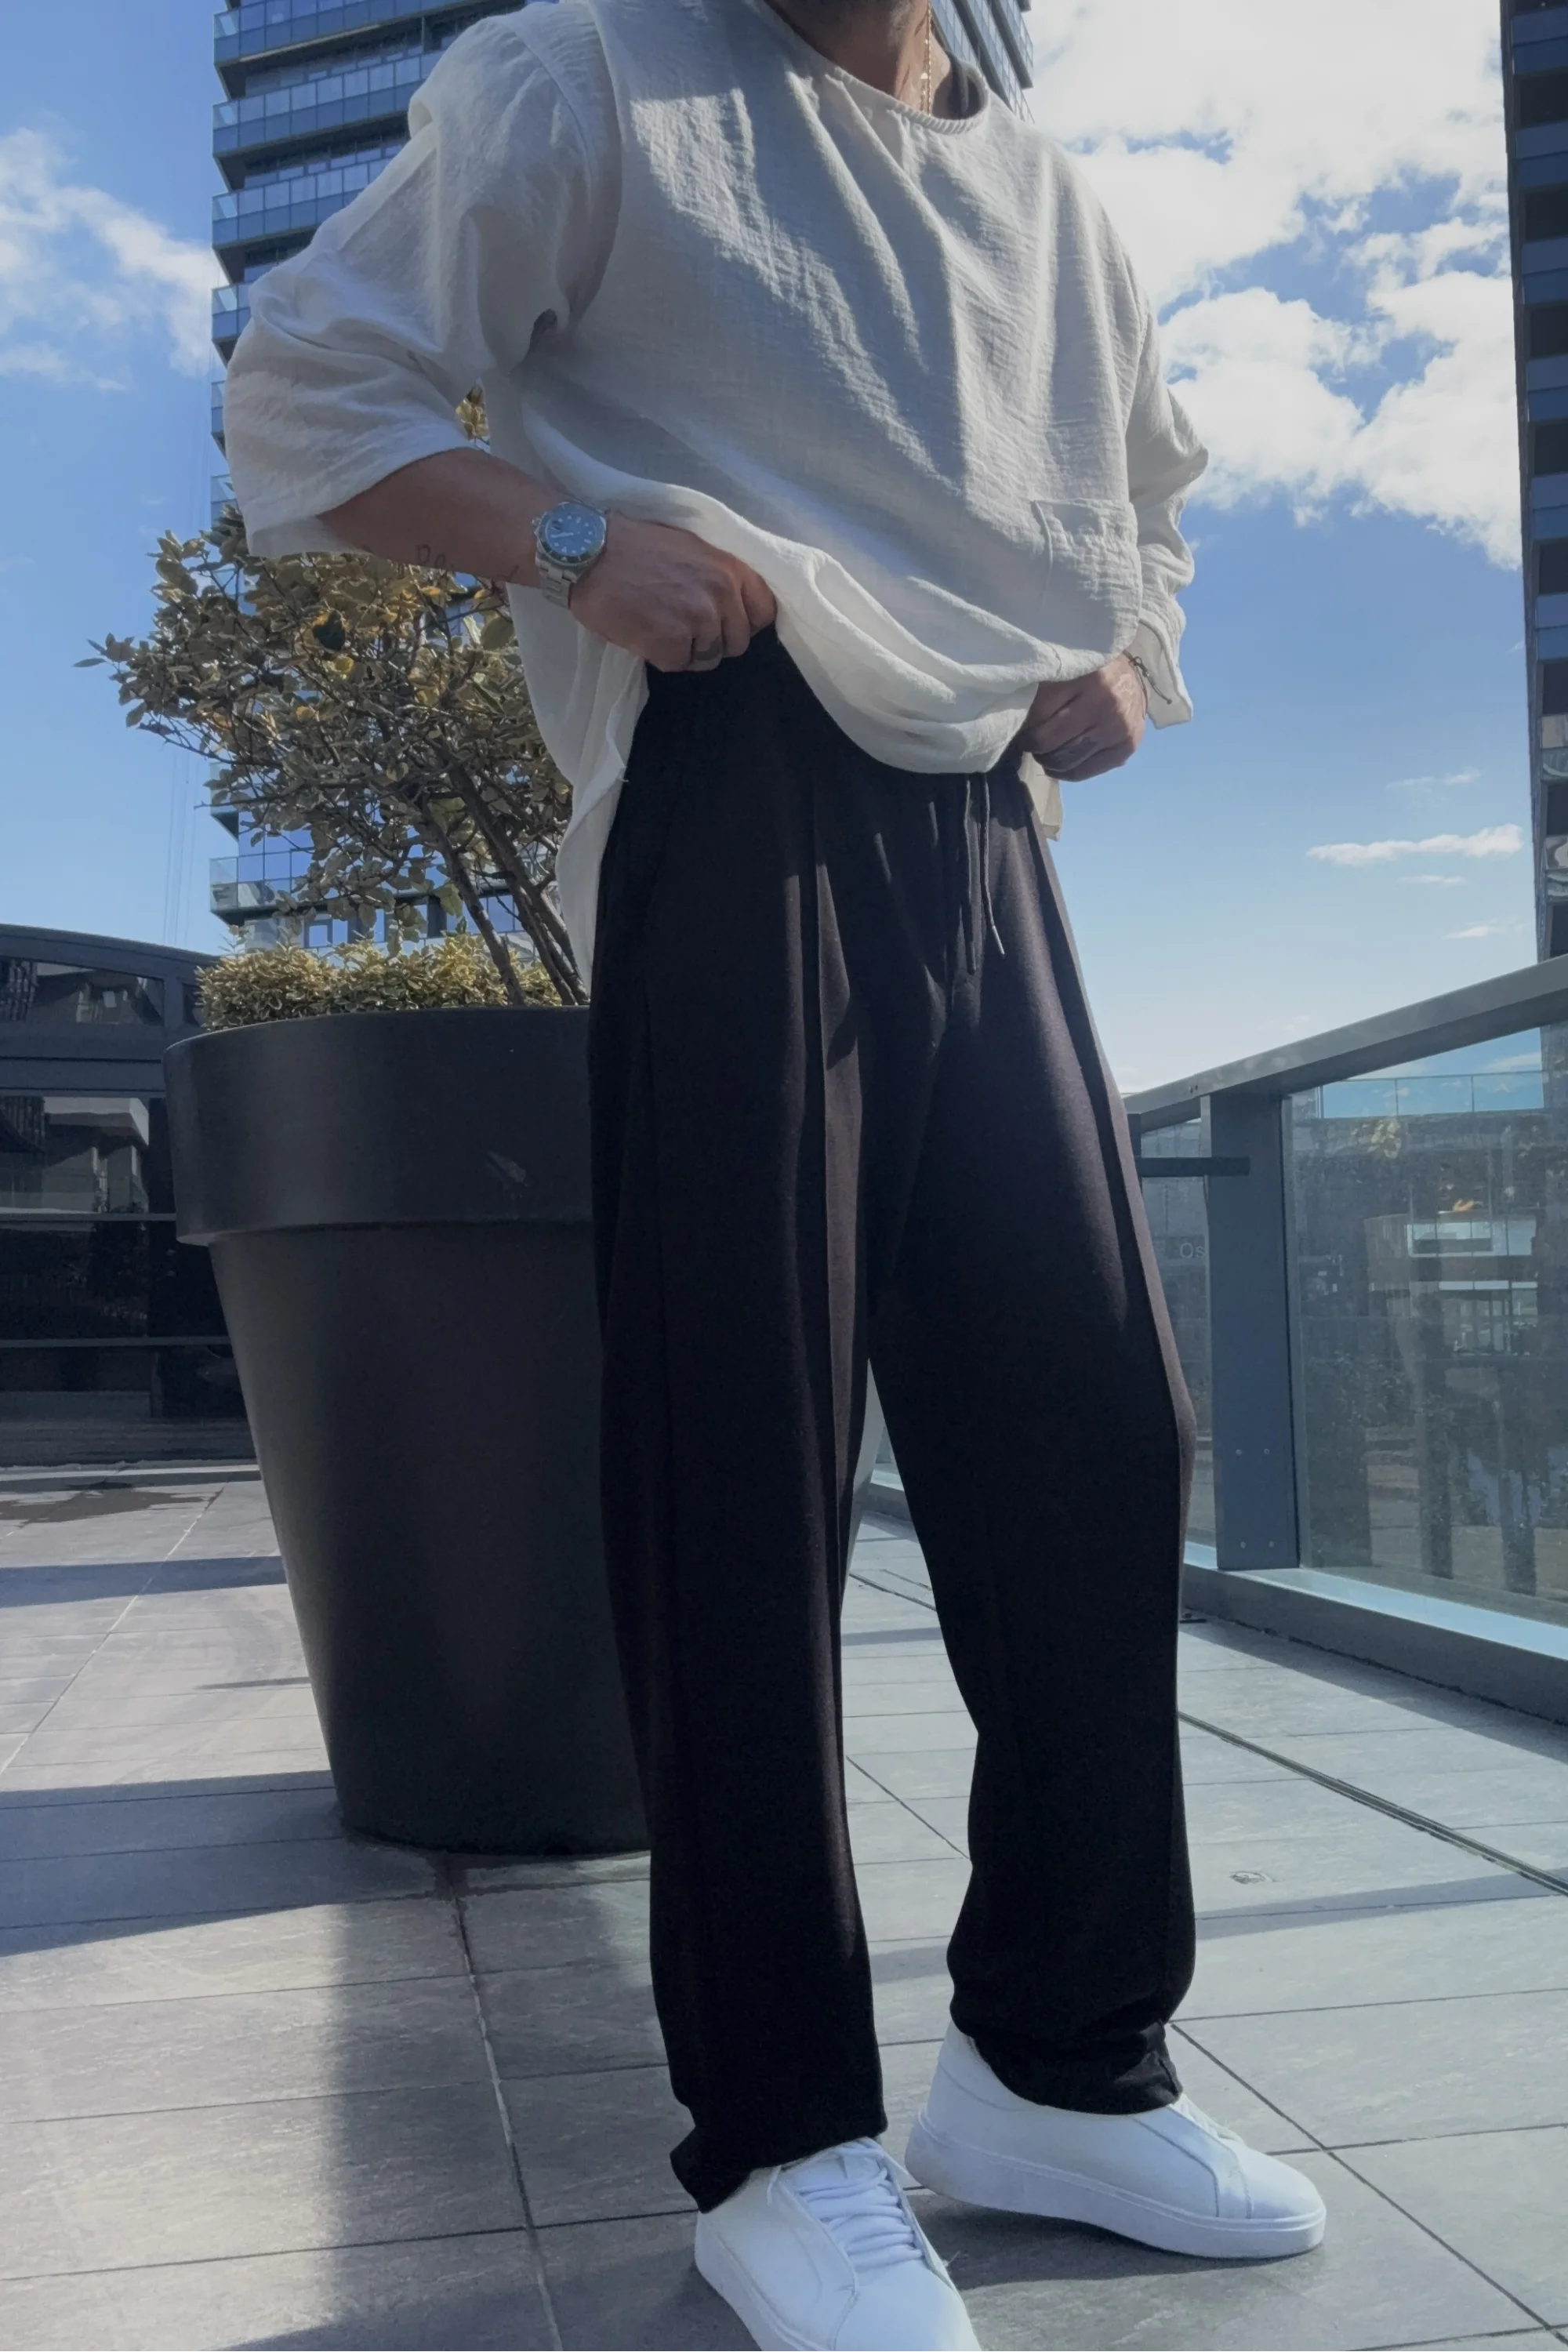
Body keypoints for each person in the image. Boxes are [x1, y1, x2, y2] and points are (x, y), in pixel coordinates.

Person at [223, 0, 1327, 2342]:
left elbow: (1146, 509)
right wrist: (573, 538)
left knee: (1094, 1442)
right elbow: (308, 388)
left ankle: (1062, 2069)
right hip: (737, 775)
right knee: (740, 1463)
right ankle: (781, 2144)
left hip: (989, 830)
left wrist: (1131, 655)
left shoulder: (1046, 198)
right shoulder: (587, 76)